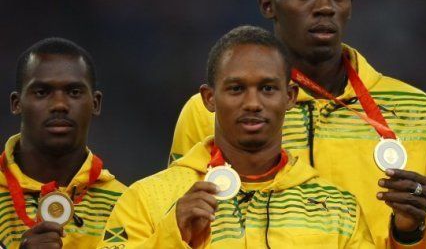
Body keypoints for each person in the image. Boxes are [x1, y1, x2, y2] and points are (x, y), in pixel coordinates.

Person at [170, 0, 426, 248]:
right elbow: (179, 224)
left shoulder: (418, 112)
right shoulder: (207, 111)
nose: (324, 7)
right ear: (268, 5)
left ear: (350, 5)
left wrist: (409, 233)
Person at [99, 25, 374, 248]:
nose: (253, 103)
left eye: (267, 88)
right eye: (236, 89)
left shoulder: (338, 209)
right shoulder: (148, 200)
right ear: (209, 98)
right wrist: (172, 236)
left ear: (289, 97)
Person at [1, 38, 126, 248]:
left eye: (74, 92)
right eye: (42, 92)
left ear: (95, 103)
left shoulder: (126, 204)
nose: (59, 105)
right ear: (17, 103)